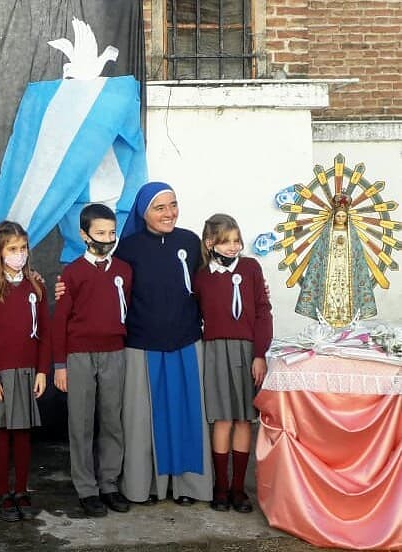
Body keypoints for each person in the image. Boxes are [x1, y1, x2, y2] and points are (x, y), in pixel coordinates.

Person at [58, 183, 213, 504]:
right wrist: (63, 292)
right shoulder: (127, 249)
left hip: (185, 343)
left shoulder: (191, 242)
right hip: (142, 347)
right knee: (140, 423)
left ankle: (188, 487)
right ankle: (147, 486)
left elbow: (210, 283)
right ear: (143, 213)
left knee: (186, 417)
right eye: (159, 207)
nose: (169, 213)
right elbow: (104, 289)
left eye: (173, 204)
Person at [52, 204, 132, 517]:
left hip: (115, 352)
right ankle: (86, 489)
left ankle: (109, 483)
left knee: (113, 420)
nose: (107, 238)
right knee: (81, 423)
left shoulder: (124, 270)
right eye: (100, 233)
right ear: (84, 235)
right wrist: (60, 364)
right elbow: (60, 322)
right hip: (79, 356)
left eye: (112, 232)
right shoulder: (71, 273)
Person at [193, 214, 272, 514]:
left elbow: (263, 312)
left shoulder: (251, 268)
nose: (233, 246)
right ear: (210, 242)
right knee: (222, 419)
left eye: (237, 240)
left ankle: (239, 488)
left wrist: (259, 354)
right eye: (226, 241)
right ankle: (221, 488)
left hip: (247, 352)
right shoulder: (201, 276)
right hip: (215, 351)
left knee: (243, 419)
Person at [0, 221, 49, 522]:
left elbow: (45, 332)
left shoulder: (35, 286)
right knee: (2, 433)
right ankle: (2, 491)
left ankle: (21, 490)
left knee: (22, 434)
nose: (19, 254)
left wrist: (42, 370)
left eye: (23, 248)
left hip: (28, 372)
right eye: (13, 249)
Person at [294, 193, 376, 327]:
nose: (341, 218)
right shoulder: (327, 234)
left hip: (347, 273)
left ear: (347, 217)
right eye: (338, 216)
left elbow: (358, 257)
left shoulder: (352, 235)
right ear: (333, 216)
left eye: (343, 216)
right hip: (330, 272)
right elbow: (319, 255)